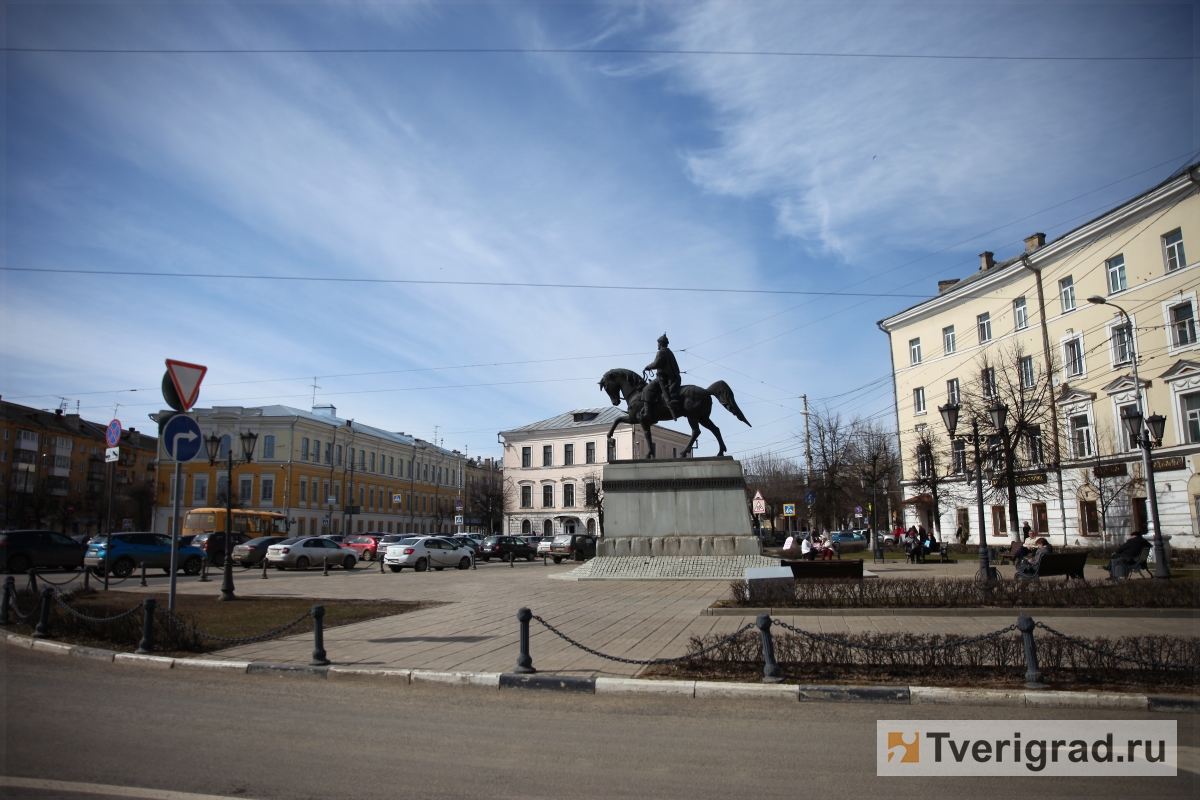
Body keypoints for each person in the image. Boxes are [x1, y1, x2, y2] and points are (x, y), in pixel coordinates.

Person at [641, 333, 683, 422]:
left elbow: (657, 363)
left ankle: (648, 412)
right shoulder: (669, 352)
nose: (658, 345)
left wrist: (647, 367)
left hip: (664, 378)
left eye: (658, 343)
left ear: (660, 344)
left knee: (646, 389)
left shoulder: (662, 351)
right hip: (670, 377)